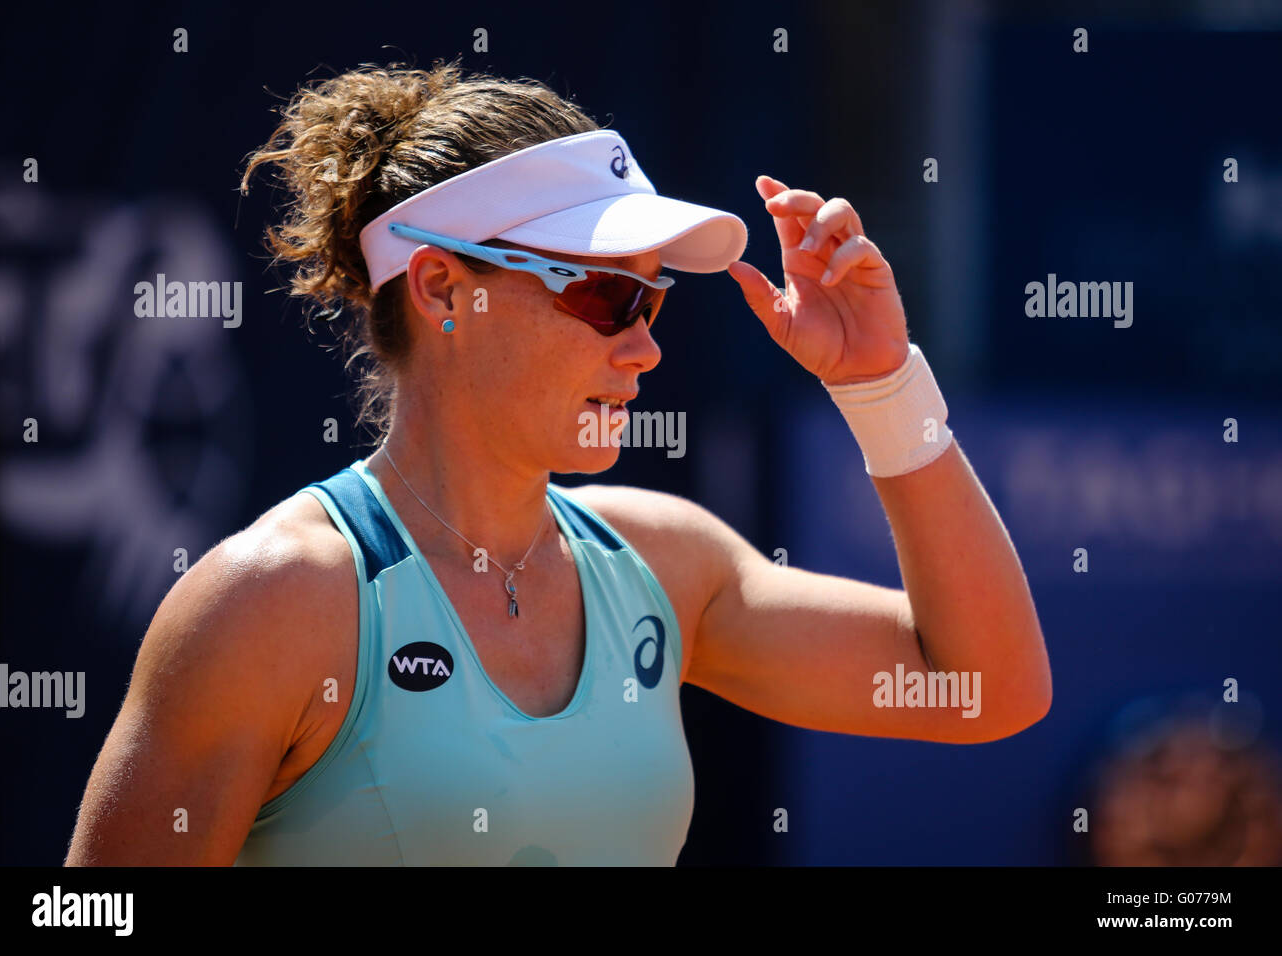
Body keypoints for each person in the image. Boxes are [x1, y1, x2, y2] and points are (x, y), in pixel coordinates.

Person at [65, 59, 1052, 866]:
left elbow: (983, 687)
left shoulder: (663, 561)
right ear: (446, 290)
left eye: (651, 299)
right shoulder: (272, 598)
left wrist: (882, 386)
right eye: (603, 299)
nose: (644, 346)